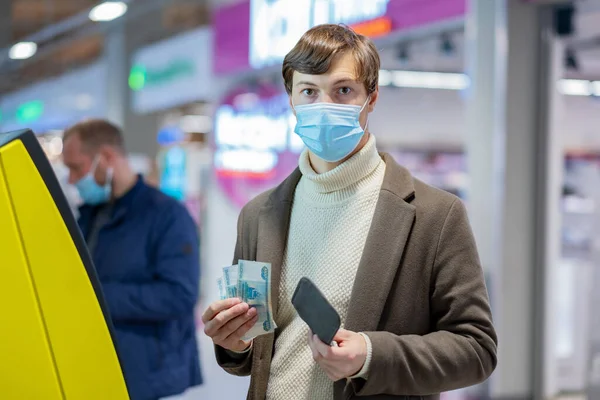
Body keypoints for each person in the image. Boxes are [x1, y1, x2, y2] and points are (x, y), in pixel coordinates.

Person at [202, 24, 497, 400]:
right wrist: (235, 341)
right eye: (309, 91)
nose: (323, 107)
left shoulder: (435, 216)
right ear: (291, 100)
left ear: (371, 98)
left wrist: (371, 356)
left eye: (343, 90)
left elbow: (476, 349)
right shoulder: (259, 215)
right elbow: (255, 353)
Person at [62, 119, 202, 400]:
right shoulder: (93, 215)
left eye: (77, 168)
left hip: (149, 375)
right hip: (102, 368)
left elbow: (179, 294)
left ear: (107, 157)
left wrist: (96, 297)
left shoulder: (167, 216)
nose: (72, 179)